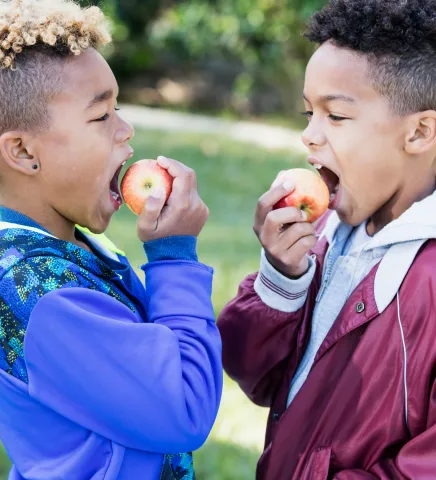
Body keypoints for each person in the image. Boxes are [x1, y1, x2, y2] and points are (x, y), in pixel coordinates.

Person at [0, 1, 222, 478]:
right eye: (101, 116)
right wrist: (174, 259)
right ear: (22, 152)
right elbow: (183, 410)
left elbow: (172, 344)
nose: (126, 130)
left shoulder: (67, 249)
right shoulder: (38, 292)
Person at [218, 0, 436, 478]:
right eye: (307, 113)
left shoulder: (429, 279)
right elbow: (254, 374)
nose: (309, 136)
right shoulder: (326, 234)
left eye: (335, 116)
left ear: (419, 131)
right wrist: (281, 281)